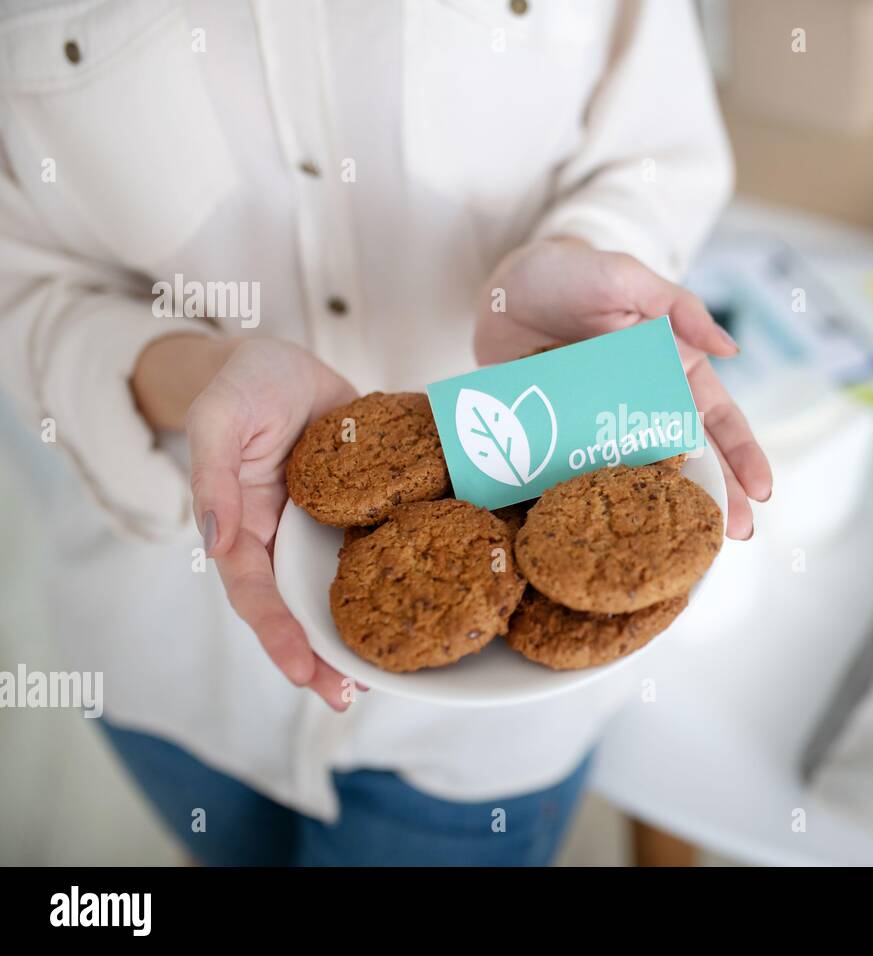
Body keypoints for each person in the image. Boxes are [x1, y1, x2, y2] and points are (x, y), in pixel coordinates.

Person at [0, 0, 770, 866]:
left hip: (488, 729)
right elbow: (22, 286)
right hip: (179, 668)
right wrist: (196, 371)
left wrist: (582, 260)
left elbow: (655, 148)